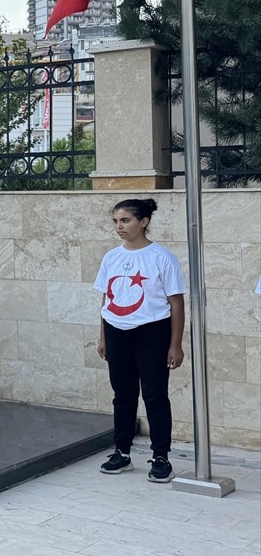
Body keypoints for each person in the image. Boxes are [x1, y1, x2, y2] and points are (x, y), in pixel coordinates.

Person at [94, 198, 186, 484]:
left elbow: (177, 303)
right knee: (123, 394)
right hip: (116, 330)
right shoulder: (111, 257)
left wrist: (175, 344)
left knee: (155, 395)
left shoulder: (161, 257)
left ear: (143, 222)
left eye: (126, 220)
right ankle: (121, 451)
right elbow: (106, 298)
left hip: (152, 332)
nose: (119, 226)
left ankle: (161, 457)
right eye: (116, 221)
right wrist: (103, 337)